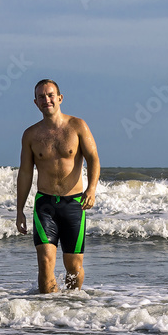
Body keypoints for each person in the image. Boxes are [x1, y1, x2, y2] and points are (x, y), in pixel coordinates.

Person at [16, 79, 100, 293]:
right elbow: (25, 173)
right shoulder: (30, 135)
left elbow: (94, 159)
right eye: (42, 97)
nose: (47, 100)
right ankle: (47, 319)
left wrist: (91, 189)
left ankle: (69, 311)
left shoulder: (78, 126)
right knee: (45, 262)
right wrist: (19, 211)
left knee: (74, 268)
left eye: (51, 95)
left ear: (60, 98)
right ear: (35, 102)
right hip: (45, 205)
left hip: (74, 204)